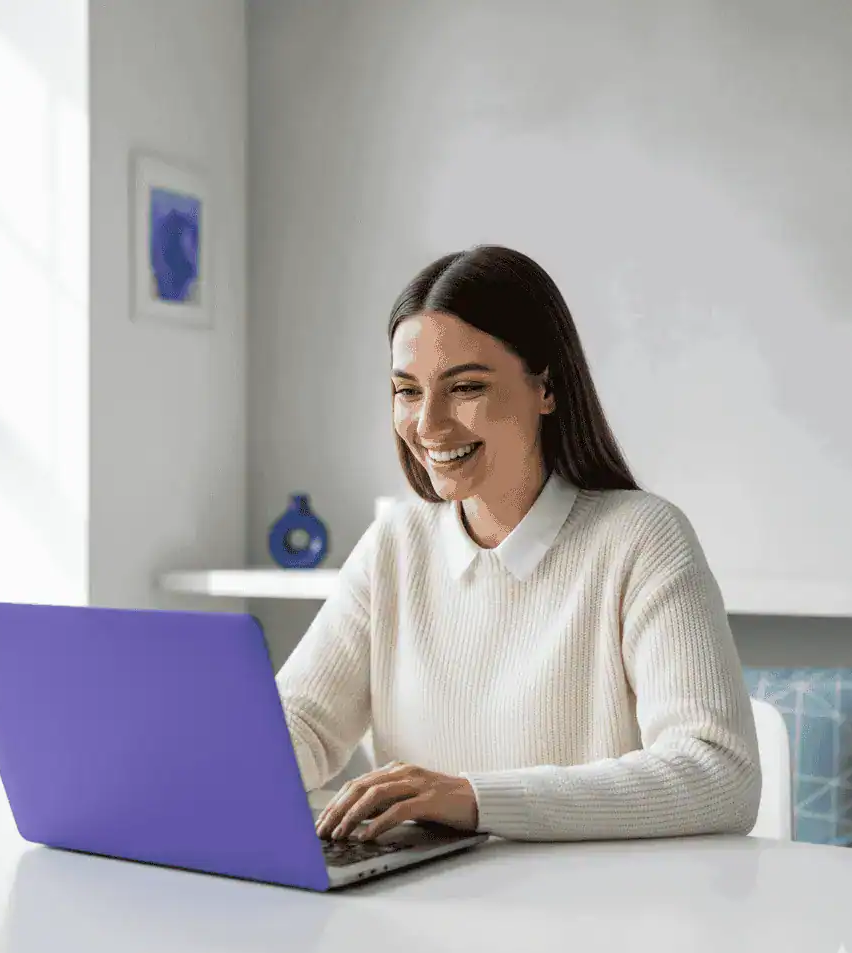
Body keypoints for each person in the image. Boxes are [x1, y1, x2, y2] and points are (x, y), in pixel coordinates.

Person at [277, 244, 761, 844]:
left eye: (466, 388)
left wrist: (474, 799)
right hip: (419, 912)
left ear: (547, 388)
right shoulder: (395, 544)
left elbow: (719, 773)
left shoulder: (641, 539)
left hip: (598, 918)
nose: (427, 425)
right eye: (406, 391)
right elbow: (299, 723)